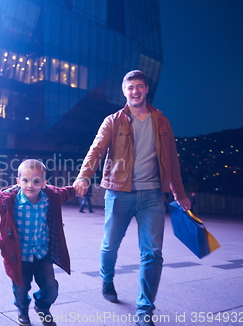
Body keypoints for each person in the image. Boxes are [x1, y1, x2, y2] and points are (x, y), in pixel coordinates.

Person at [73, 70, 190, 326]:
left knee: (153, 252)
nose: (135, 91)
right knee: (109, 246)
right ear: (124, 92)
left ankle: (145, 310)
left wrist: (179, 193)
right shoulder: (113, 121)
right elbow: (96, 150)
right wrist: (84, 176)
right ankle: (107, 279)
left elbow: (172, 159)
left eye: (140, 86)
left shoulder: (162, 122)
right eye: (130, 88)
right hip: (118, 192)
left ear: (146, 89)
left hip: (152, 195)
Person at [0, 159, 76, 326]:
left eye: (36, 181)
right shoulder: (8, 201)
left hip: (42, 254)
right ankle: (22, 309)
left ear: (43, 183)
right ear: (18, 181)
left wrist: (77, 188)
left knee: (51, 289)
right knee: (21, 289)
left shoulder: (50, 197)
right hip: (18, 256)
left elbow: (65, 192)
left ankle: (42, 306)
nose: (30, 185)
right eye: (26, 180)